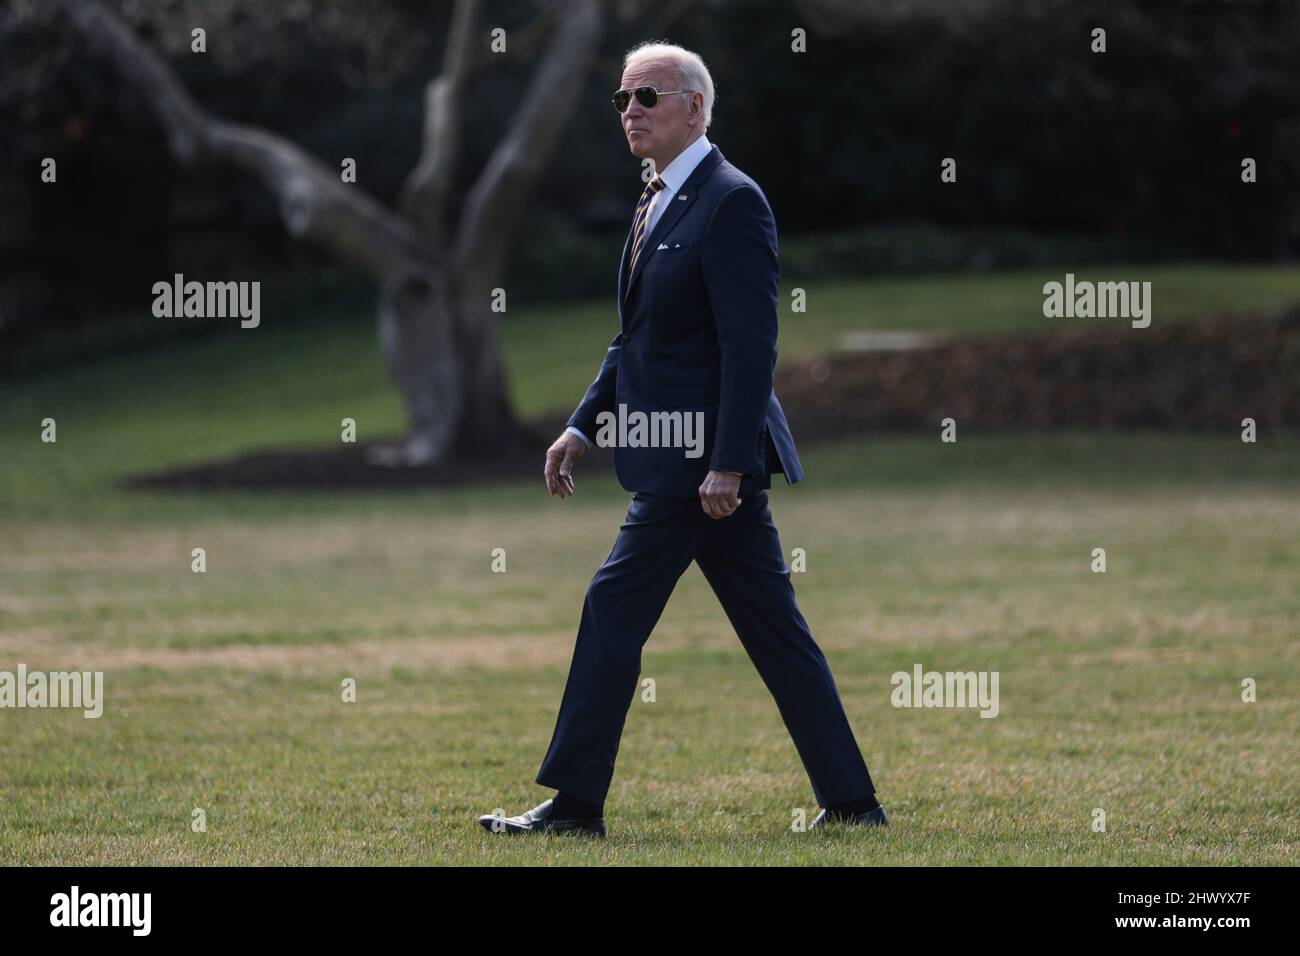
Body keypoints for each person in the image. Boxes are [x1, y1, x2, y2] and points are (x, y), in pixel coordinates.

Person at [479, 41, 885, 838]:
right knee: (777, 636)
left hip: (700, 469)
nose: (629, 112)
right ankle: (852, 803)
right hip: (680, 462)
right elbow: (637, 340)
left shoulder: (732, 201)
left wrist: (728, 462)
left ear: (694, 108)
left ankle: (576, 808)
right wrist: (582, 424)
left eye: (647, 97)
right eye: (622, 99)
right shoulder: (655, 197)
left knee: (611, 607)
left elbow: (750, 346)